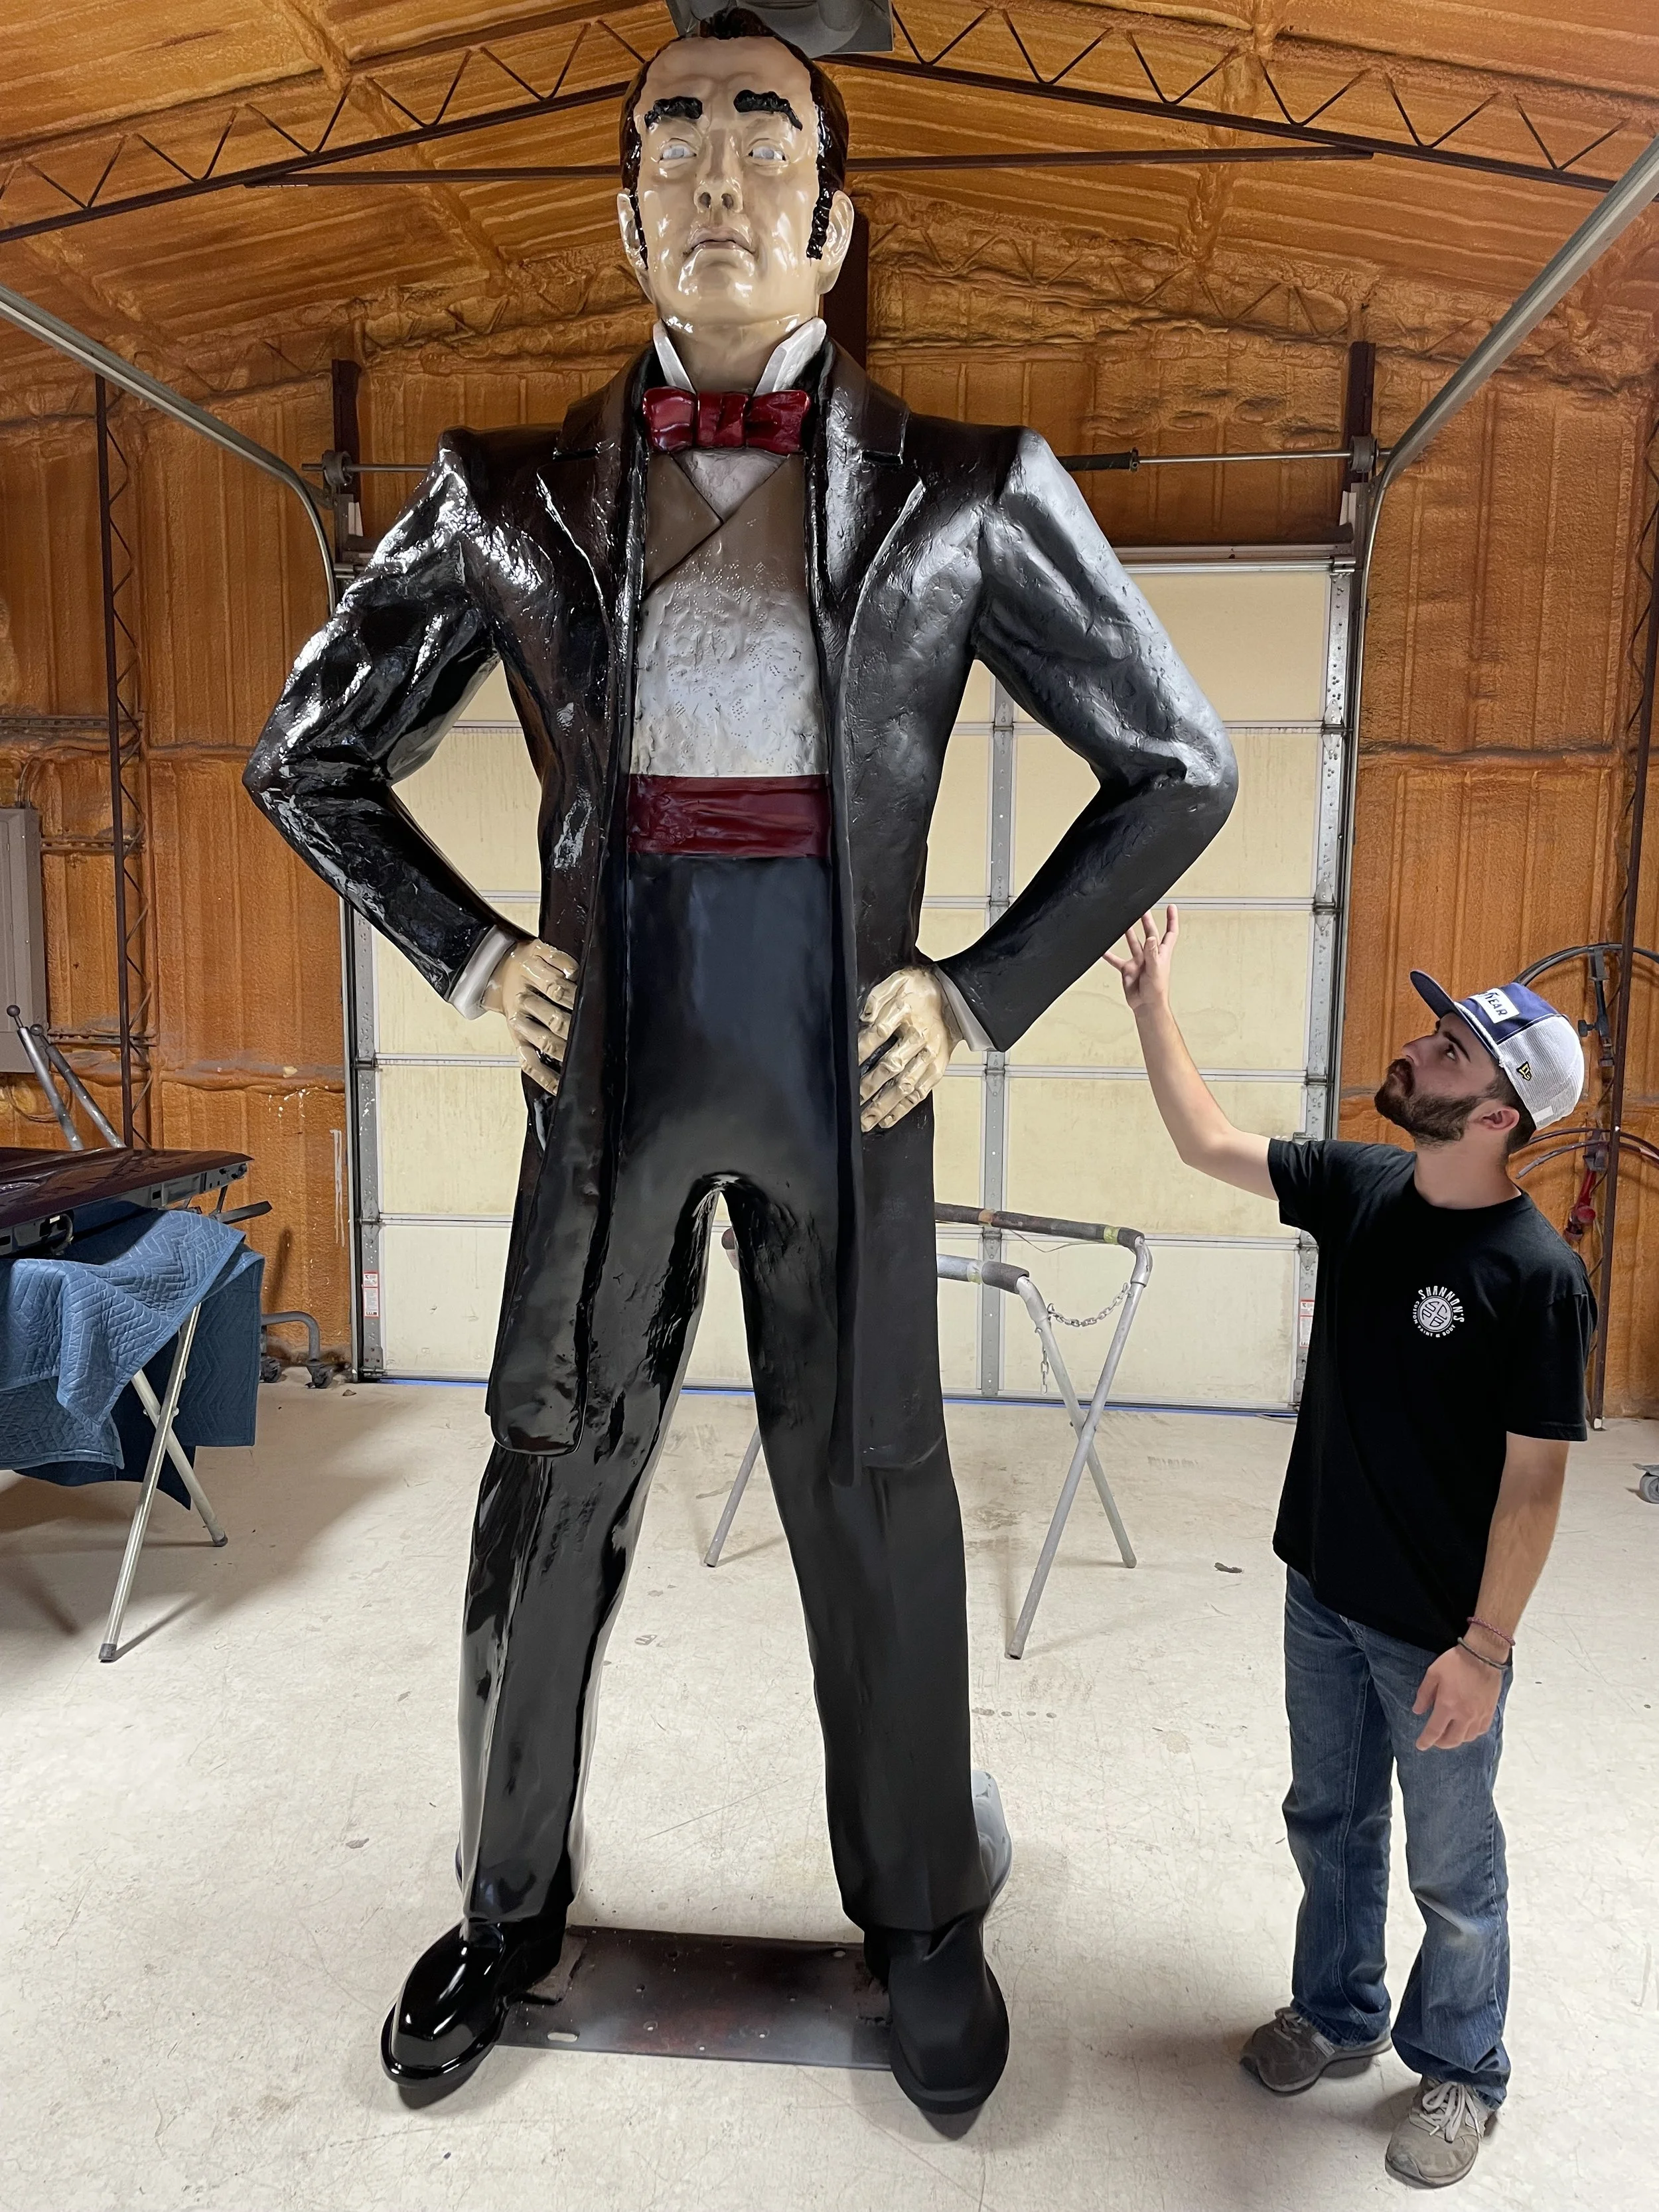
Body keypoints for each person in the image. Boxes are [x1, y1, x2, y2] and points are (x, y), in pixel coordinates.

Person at [244, 11, 1234, 2116]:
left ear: (829, 213)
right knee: (543, 1477)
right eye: (668, 132)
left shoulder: (977, 496)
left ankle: (921, 1912)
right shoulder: (498, 495)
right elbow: (304, 750)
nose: (713, 171)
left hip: (839, 1053)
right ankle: (504, 1899)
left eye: (757, 130)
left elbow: (1178, 760)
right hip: (603, 1055)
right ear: (619, 211)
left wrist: (975, 990)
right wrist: (465, 945)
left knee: (871, 1492)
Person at [1106, 907, 1593, 2188]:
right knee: (1326, 1816)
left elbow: (1534, 1490)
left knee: (1452, 1863)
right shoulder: (1364, 1187)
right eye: (1438, 1032)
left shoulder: (1535, 1275)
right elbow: (1207, 1139)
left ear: (1499, 1117)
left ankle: (1462, 2070)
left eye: (1453, 1051)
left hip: (1437, 1632)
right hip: (1321, 1588)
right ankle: (1335, 2013)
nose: (1423, 1051)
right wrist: (1153, 1001)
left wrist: (1486, 1648)